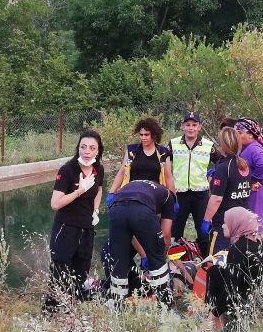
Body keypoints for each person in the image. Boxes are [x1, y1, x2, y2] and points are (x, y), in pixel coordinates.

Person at [47, 130, 105, 310]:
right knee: (60, 272)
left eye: (92, 148)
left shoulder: (98, 169)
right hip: (66, 227)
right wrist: (79, 191)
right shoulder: (68, 170)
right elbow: (55, 204)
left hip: (86, 228)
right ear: (78, 147)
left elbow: (100, 189)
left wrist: (95, 210)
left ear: (98, 151)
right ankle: (52, 312)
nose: (87, 151)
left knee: (80, 272)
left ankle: (73, 312)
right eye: (83, 147)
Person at [206, 207, 263, 332]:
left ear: (236, 224)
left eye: (226, 222)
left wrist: (214, 313)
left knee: (216, 275)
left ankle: (217, 324)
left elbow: (231, 289)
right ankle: (220, 320)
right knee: (215, 271)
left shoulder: (238, 249)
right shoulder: (256, 241)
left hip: (254, 303)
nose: (223, 226)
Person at [105, 179, 176, 304]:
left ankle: (117, 304)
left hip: (116, 210)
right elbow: (166, 235)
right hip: (141, 210)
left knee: (118, 261)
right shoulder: (169, 197)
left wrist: (144, 255)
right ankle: (165, 304)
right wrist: (157, 255)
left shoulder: (138, 185)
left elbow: (130, 234)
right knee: (157, 260)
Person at [201, 126, 251, 255]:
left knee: (216, 261)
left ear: (223, 145)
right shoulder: (243, 164)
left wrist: (206, 220)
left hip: (225, 223)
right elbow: (234, 186)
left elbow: (217, 198)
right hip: (243, 220)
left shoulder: (224, 168)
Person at [169, 111, 217, 243]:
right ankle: (177, 261)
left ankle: (205, 260)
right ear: (182, 126)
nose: (191, 128)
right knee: (175, 231)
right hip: (179, 194)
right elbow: (163, 165)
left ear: (199, 127)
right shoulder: (173, 144)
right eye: (188, 125)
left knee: (203, 232)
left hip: (200, 195)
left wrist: (214, 175)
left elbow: (222, 162)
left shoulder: (208, 145)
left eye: (194, 125)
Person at [107, 118, 175, 205]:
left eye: (146, 135)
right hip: (132, 193)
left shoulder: (163, 152)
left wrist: (173, 198)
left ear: (154, 135)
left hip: (155, 194)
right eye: (141, 135)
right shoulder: (132, 151)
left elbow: (168, 177)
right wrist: (112, 192)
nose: (143, 137)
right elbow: (122, 172)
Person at [233, 118, 263, 233]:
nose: (236, 136)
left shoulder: (254, 149)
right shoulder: (244, 149)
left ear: (250, 135)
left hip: (257, 193)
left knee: (254, 231)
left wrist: (251, 180)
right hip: (249, 194)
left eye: (239, 133)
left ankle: (257, 251)